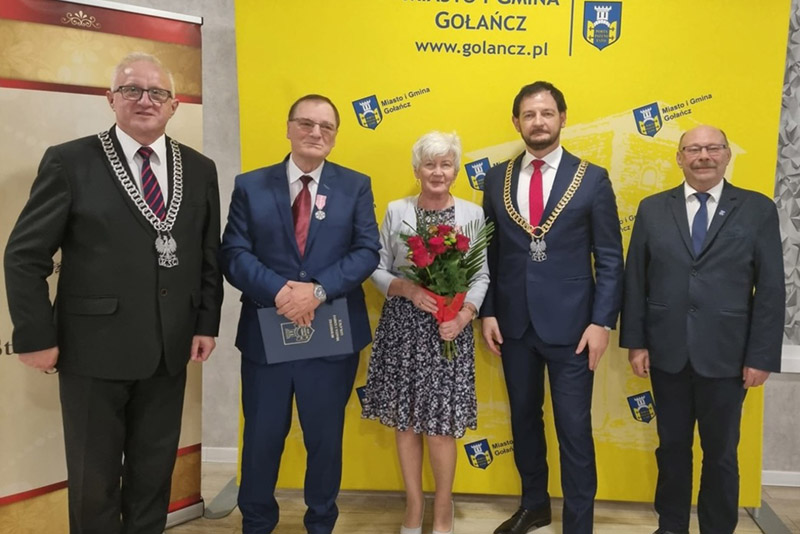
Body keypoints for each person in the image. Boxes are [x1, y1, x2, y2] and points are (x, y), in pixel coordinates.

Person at [3, 52, 223, 534]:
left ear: (174, 105)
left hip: (169, 348)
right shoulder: (70, 161)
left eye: (157, 92)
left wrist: (206, 322)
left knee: (153, 472)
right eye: (131, 89)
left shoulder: (200, 168)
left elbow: (208, 254)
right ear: (111, 99)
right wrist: (35, 335)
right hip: (93, 351)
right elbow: (24, 255)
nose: (146, 100)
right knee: (94, 478)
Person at [220, 94, 380, 534]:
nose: (316, 133)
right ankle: (256, 522)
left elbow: (367, 251)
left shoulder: (355, 186)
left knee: (324, 440)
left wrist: (317, 291)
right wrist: (281, 293)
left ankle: (321, 522)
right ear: (289, 128)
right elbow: (234, 253)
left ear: (335, 136)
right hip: (265, 335)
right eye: (306, 123)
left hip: (330, 337)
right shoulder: (251, 185)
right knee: (262, 437)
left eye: (326, 126)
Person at [620, 125, 784, 534]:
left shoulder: (757, 209)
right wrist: (636, 343)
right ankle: (671, 526)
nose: (703, 156)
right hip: (667, 352)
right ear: (679, 158)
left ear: (727, 155)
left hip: (728, 356)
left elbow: (770, 289)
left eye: (713, 148)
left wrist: (761, 356)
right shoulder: (653, 209)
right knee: (672, 449)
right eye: (693, 149)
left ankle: (717, 528)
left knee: (722, 454)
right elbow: (635, 280)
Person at [480, 81, 624, 534]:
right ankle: (534, 506)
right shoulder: (496, 179)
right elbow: (489, 253)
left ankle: (578, 523)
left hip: (575, 328)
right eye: (529, 114)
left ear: (562, 117)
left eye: (546, 113)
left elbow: (610, 257)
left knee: (574, 429)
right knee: (524, 421)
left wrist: (602, 322)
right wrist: (488, 311)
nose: (538, 122)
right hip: (514, 325)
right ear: (516, 122)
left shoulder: (593, 178)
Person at [362, 131, 489, 534]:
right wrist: (407, 289)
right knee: (406, 424)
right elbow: (375, 266)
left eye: (445, 164)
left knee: (440, 428)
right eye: (429, 164)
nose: (438, 172)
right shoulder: (396, 210)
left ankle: (444, 507)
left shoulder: (472, 213)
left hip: (449, 330)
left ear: (456, 170)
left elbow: (481, 276)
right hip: (404, 328)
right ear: (416, 170)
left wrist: (465, 315)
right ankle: (414, 507)